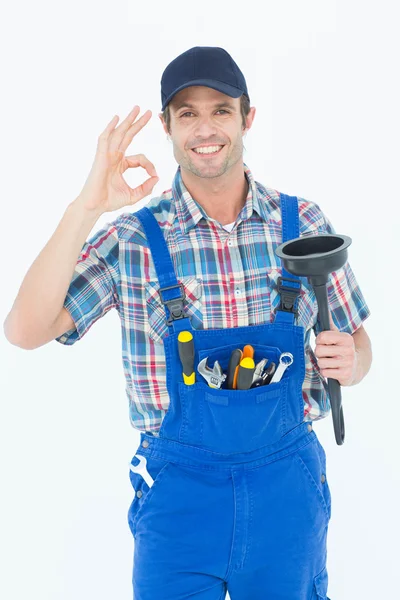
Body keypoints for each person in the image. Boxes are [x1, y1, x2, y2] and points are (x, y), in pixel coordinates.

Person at [4, 46, 372, 599]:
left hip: (285, 494)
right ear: (167, 126)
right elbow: (24, 330)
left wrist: (353, 359)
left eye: (221, 109)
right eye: (187, 112)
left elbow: (358, 347)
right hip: (178, 500)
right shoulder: (133, 239)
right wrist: (87, 206)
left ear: (248, 117)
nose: (205, 127)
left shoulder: (302, 224)